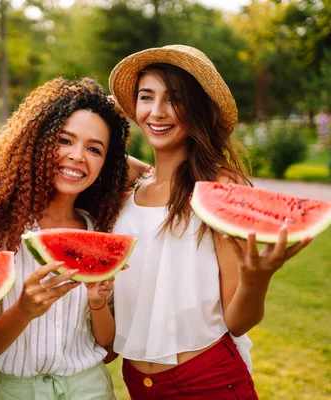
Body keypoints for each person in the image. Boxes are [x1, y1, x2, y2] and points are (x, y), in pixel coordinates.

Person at [108, 45, 312, 399]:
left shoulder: (219, 188)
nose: (156, 112)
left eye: (173, 99)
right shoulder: (129, 193)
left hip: (207, 379)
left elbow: (238, 321)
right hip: (137, 382)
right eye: (146, 97)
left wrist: (256, 280)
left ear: (198, 108)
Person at [0, 77, 145, 399]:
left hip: (91, 389)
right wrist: (23, 309)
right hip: (16, 391)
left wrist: (97, 305)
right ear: (37, 143)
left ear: (106, 164)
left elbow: (107, 350)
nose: (78, 156)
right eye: (65, 140)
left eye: (94, 149)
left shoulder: (101, 232)